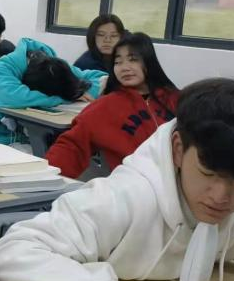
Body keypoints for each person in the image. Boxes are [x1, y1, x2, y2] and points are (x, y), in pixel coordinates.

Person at [0, 78, 234, 281]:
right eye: (208, 173)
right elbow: (11, 253)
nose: (221, 197)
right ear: (178, 149)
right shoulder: (125, 197)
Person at [46, 33, 179, 178]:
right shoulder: (105, 107)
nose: (124, 68)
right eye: (118, 62)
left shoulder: (175, 98)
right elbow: (72, 146)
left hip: (182, 181)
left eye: (133, 60)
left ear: (149, 61)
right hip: (137, 183)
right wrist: (46, 175)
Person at [0, 38, 106, 145]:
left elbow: (101, 78)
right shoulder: (3, 67)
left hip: (34, 139)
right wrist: (67, 97)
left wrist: (78, 91)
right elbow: (16, 97)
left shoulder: (51, 64)